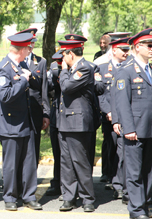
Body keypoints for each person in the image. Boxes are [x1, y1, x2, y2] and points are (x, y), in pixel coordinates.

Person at [0, 32, 42, 211]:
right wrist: (23, 79)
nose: (30, 51)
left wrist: (29, 77)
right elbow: (5, 96)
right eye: (28, 48)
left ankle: (28, 196)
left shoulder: (21, 64)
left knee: (29, 163)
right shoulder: (3, 68)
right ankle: (10, 197)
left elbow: (36, 84)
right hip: (10, 124)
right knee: (11, 165)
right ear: (21, 49)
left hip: (26, 122)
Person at [114, 28, 152, 219]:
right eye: (149, 45)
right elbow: (122, 103)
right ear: (138, 47)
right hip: (134, 130)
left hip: (150, 129)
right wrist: (127, 128)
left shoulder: (150, 70)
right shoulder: (126, 71)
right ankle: (137, 210)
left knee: (149, 172)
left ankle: (145, 205)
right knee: (135, 173)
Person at [57, 40, 96, 212]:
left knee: (80, 161)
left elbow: (66, 87)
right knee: (66, 162)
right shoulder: (74, 69)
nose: (62, 59)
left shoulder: (84, 68)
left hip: (77, 122)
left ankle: (87, 198)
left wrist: (64, 70)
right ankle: (69, 197)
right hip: (65, 121)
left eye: (63, 55)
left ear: (70, 54)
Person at [98, 36, 130, 198]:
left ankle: (120, 183)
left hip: (127, 117)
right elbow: (100, 95)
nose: (126, 53)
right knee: (111, 148)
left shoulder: (131, 68)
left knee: (123, 151)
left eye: (127, 50)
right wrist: (107, 111)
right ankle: (111, 177)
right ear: (114, 50)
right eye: (123, 50)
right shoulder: (103, 69)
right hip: (109, 117)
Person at [17, 28, 49, 166]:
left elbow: (44, 90)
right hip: (18, 111)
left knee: (34, 146)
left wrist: (46, 114)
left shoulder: (41, 62)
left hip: (35, 111)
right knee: (18, 148)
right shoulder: (14, 61)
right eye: (27, 42)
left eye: (32, 42)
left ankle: (31, 180)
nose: (30, 45)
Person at [45, 50, 63, 196]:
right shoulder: (54, 67)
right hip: (56, 113)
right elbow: (48, 89)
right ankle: (57, 182)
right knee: (57, 151)